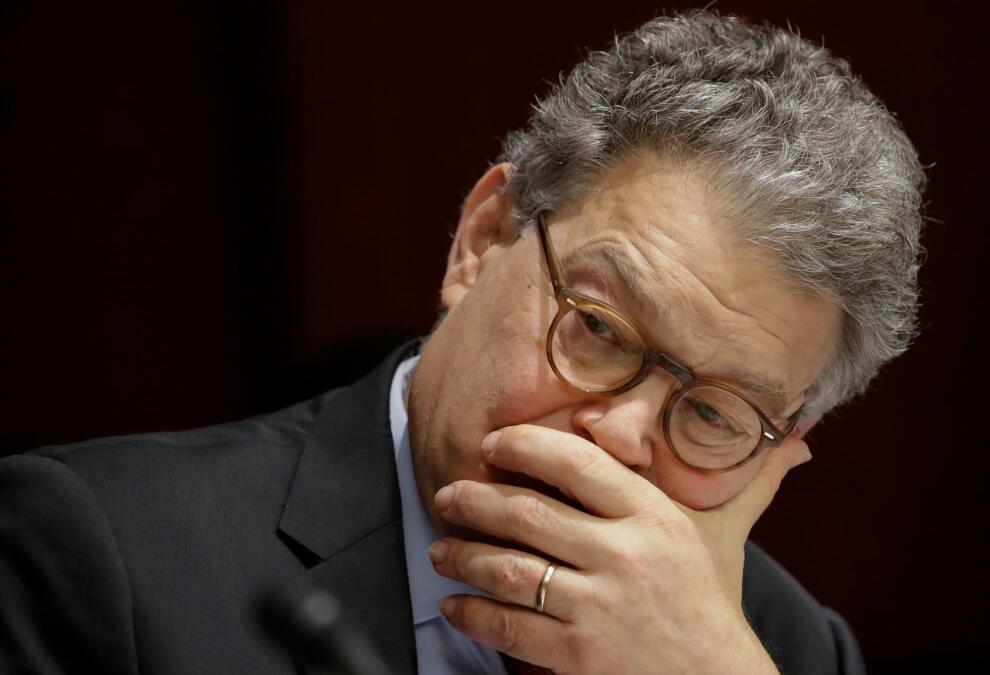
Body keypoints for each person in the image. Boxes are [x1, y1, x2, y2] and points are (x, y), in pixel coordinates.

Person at [0, 10, 924, 674]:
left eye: (716, 412)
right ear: (484, 240)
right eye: (600, 328)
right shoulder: (103, 554)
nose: (621, 438)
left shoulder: (780, 648)